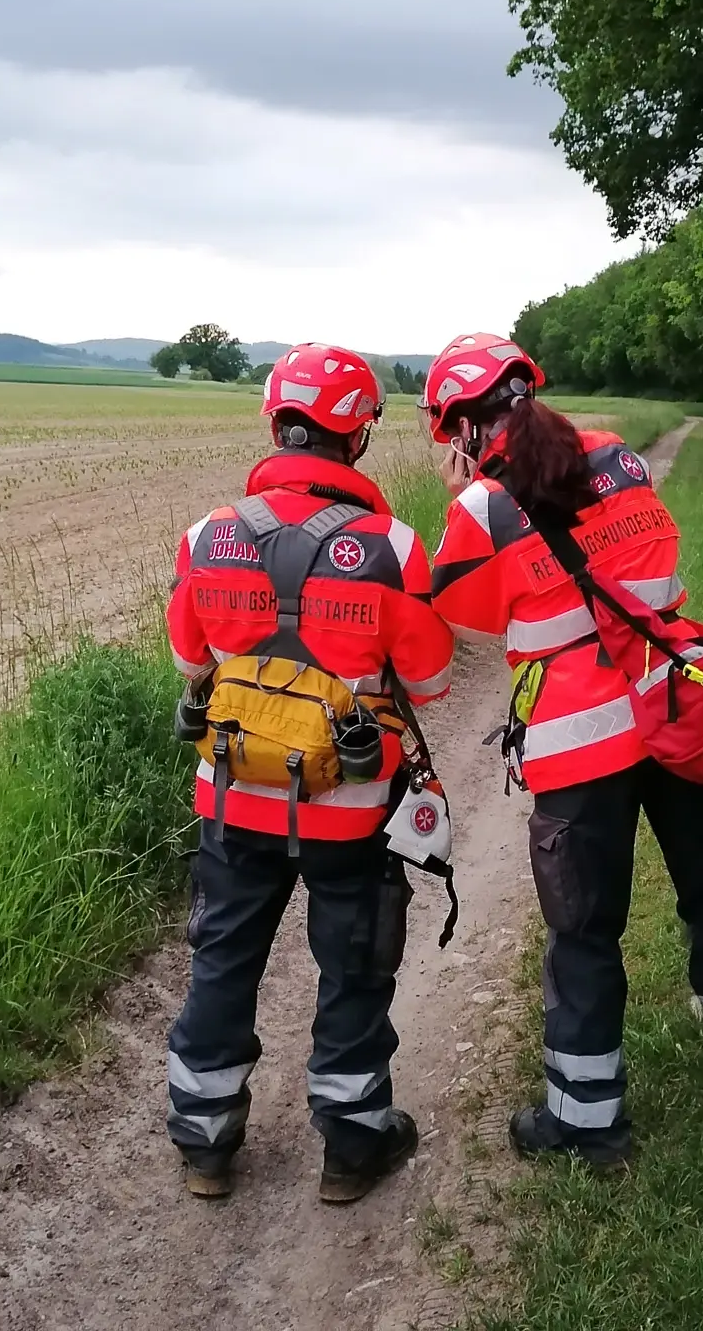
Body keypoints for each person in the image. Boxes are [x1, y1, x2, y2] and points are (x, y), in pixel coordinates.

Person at [422, 333, 703, 1168]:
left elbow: (471, 612)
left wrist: (470, 498)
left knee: (585, 935)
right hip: (677, 715)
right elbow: (656, 570)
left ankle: (588, 1124)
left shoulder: (482, 506)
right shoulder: (622, 460)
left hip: (580, 747)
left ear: (465, 429)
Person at [165, 345, 455, 1203]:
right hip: (353, 811)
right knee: (355, 966)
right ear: (356, 436)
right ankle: (353, 1143)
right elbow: (432, 681)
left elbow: (189, 654)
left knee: (221, 961)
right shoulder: (395, 548)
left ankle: (205, 1141)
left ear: (277, 423)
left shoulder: (206, 536)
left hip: (230, 797)